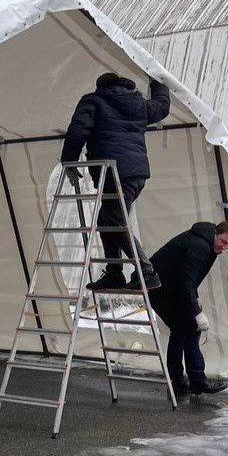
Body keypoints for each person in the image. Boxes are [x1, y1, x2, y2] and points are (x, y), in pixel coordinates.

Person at [60, 72, 171, 291]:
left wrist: (69, 162)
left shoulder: (93, 101)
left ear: (100, 86)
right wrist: (159, 82)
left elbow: (77, 131)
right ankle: (114, 272)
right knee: (106, 220)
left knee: (115, 223)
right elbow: (161, 107)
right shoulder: (138, 104)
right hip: (137, 174)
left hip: (112, 172)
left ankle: (147, 272)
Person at [148, 220, 228, 396]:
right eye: (223, 241)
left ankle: (193, 382)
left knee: (189, 328)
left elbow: (188, 278)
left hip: (167, 284)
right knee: (182, 328)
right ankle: (183, 383)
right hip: (157, 286)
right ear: (216, 233)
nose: (224, 247)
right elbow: (186, 282)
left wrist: (194, 304)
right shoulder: (201, 247)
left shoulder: (208, 243)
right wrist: (196, 311)